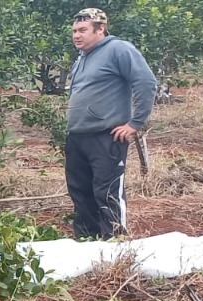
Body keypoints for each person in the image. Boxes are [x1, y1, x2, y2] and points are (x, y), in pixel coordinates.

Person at [65, 8, 156, 239]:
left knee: (107, 193)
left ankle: (115, 242)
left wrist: (135, 123)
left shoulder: (119, 49)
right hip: (77, 136)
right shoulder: (82, 58)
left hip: (106, 136)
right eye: (74, 31)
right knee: (80, 193)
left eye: (83, 30)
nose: (76, 35)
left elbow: (146, 82)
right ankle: (86, 242)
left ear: (100, 29)